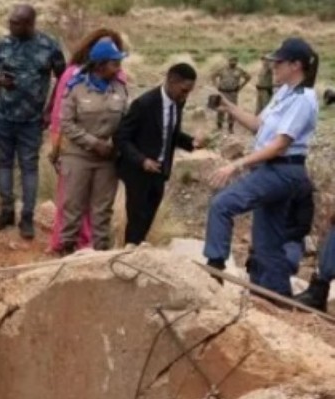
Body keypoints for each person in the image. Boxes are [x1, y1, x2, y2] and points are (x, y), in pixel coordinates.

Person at [204, 38, 319, 298]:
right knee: (267, 245)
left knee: (222, 204)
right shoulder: (284, 93)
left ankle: (215, 269)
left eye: (279, 62)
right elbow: (259, 125)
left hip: (282, 170)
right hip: (273, 170)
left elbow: (280, 144)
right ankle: (278, 299)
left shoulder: (304, 98)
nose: (273, 66)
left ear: (296, 65)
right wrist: (229, 107)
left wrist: (237, 163)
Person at [0, 4, 66, 240]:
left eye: (16, 23)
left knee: (29, 167)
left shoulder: (49, 46)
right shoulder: (3, 43)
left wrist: (51, 111)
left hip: (32, 120)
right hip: (2, 117)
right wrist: (0, 80)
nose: (10, 26)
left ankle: (27, 217)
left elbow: (63, 81)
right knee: (3, 163)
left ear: (30, 23)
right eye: (10, 22)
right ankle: (7, 211)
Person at [47, 28, 125, 254]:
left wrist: (115, 145)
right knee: (72, 206)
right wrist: (93, 143)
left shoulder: (120, 88)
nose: (119, 67)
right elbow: (66, 122)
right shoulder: (76, 87)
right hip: (78, 156)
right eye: (114, 63)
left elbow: (125, 120)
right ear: (100, 65)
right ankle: (66, 250)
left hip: (107, 159)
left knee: (102, 209)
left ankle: (100, 253)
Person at [116, 64, 200, 247]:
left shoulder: (178, 102)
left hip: (160, 171)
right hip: (138, 173)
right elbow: (122, 137)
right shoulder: (144, 104)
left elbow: (170, 132)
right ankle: (128, 255)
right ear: (171, 81)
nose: (185, 96)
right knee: (136, 219)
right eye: (184, 90)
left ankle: (139, 251)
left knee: (148, 218)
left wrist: (190, 142)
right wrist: (142, 160)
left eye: (189, 92)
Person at [211, 57, 251, 134]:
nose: (233, 62)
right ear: (228, 61)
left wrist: (241, 86)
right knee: (220, 108)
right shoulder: (222, 69)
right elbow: (213, 76)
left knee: (232, 110)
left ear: (237, 62)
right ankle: (219, 126)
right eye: (231, 60)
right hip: (222, 92)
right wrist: (216, 86)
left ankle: (230, 127)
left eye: (234, 61)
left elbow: (248, 77)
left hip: (233, 93)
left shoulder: (239, 70)